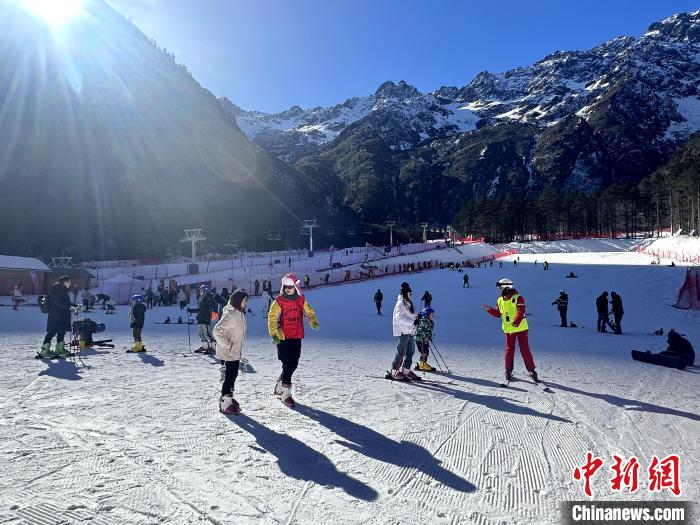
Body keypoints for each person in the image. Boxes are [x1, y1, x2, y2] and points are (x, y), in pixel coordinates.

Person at [267, 274, 319, 407]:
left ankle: (282, 380)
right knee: (287, 364)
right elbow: (272, 318)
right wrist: (274, 334)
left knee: (294, 364)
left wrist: (312, 322)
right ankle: (286, 393)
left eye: (290, 287)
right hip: (283, 337)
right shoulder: (278, 301)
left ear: (295, 287)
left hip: (296, 335)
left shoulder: (301, 300)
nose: (287, 289)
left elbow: (309, 312)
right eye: (285, 287)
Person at [483, 278, 538, 382]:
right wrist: (489, 310)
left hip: (521, 328)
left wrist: (516, 321)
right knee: (509, 350)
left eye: (501, 288)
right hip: (508, 330)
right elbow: (498, 314)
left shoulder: (518, 298)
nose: (499, 290)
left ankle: (532, 370)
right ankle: (508, 370)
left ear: (507, 288)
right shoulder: (500, 300)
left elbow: (521, 311)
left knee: (524, 349)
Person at [214, 289, 249, 415]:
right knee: (229, 377)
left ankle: (229, 397)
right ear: (238, 300)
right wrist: (227, 345)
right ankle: (225, 402)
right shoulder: (231, 315)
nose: (246, 303)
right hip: (228, 353)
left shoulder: (239, 313)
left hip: (234, 352)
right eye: (245, 300)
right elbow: (217, 331)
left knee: (233, 375)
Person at [390, 282, 420, 381]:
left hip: (410, 330)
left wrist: (417, 318)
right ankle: (394, 371)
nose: (411, 295)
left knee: (411, 351)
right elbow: (400, 318)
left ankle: (406, 370)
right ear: (405, 293)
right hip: (404, 330)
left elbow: (409, 315)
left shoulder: (408, 303)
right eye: (409, 294)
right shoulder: (400, 303)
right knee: (401, 351)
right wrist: (413, 322)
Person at [39, 276, 75, 358]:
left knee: (62, 331)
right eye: (69, 282)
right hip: (56, 315)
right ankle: (44, 350)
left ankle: (59, 349)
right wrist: (68, 307)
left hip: (62, 314)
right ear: (64, 282)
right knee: (52, 332)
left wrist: (74, 305)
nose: (70, 284)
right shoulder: (56, 289)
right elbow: (58, 302)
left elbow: (64, 302)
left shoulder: (62, 289)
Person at [191, 285, 217, 354]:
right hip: (201, 318)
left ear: (205, 290)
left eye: (201, 290)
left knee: (207, 334)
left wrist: (210, 296)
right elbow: (200, 309)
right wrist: (191, 310)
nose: (200, 292)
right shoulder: (202, 298)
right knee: (201, 334)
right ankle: (205, 347)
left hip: (205, 318)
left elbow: (211, 306)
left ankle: (214, 348)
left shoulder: (208, 296)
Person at [415, 307, 436, 371]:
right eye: (431, 315)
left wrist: (429, 337)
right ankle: (421, 365)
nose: (433, 316)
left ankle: (423, 364)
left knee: (426, 351)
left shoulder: (430, 322)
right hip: (420, 339)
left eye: (433, 315)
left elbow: (429, 331)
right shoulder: (423, 321)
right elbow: (420, 330)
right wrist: (425, 337)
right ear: (427, 315)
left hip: (425, 340)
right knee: (424, 352)